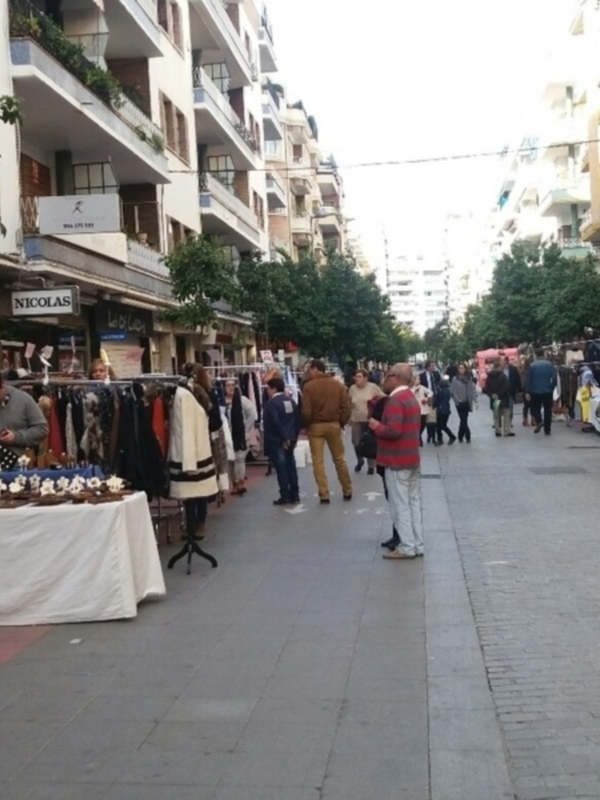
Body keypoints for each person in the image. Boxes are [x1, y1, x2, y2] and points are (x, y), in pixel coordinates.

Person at [368, 363, 423, 560]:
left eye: (388, 375)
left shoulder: (395, 400)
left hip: (396, 460)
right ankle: (417, 544)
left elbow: (393, 430)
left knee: (400, 505)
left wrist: (376, 426)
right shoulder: (410, 397)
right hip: (411, 458)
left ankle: (406, 547)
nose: (385, 378)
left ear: (397, 378)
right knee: (413, 503)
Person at [302, 359, 352, 504]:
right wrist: (341, 422)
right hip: (334, 424)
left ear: (315, 369)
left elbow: (306, 411)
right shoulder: (338, 385)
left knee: (318, 462)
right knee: (339, 459)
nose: (308, 373)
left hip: (315, 426)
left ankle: (324, 494)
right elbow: (346, 408)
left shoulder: (308, 387)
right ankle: (347, 489)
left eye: (309, 370)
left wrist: (307, 424)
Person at [264, 377, 302, 506]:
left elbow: (275, 421)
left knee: (281, 468)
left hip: (277, 439)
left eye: (268, 389)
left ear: (274, 389)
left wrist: (283, 437)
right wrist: (293, 437)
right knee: (291, 466)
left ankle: (285, 494)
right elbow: (297, 420)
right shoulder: (291, 401)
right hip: (291, 438)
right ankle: (295, 494)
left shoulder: (271, 404)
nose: (267, 391)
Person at [0, 373, 49, 458]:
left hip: (17, 462)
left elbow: (42, 429)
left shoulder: (23, 400)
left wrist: (17, 437)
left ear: (2, 386)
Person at [224, 379, 257, 495]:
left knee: (239, 459)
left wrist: (245, 429)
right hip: (227, 436)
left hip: (241, 436)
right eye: (228, 385)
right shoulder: (222, 402)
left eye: (233, 385)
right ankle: (234, 483)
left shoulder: (243, 400)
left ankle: (240, 482)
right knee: (230, 460)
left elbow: (252, 415)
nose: (231, 388)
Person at [349, 368, 383, 474]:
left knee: (370, 443)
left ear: (365, 378)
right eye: (356, 376)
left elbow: (383, 399)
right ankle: (360, 460)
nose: (357, 378)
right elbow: (348, 403)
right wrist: (348, 416)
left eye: (359, 376)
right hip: (356, 420)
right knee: (356, 442)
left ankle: (371, 466)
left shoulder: (373, 387)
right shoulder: (352, 388)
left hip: (369, 421)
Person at [524, 350, 557, 436]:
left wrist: (527, 391)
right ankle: (547, 429)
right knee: (548, 410)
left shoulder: (532, 365)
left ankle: (539, 421)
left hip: (535, 390)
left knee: (535, 407)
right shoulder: (549, 365)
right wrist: (552, 387)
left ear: (536, 355)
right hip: (547, 390)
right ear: (544, 354)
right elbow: (554, 377)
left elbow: (528, 379)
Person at [450, 362, 476, 443]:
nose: (461, 370)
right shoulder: (455, 379)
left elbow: (471, 390)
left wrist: (474, 400)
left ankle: (460, 435)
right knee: (463, 419)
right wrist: (457, 400)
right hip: (459, 403)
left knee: (464, 419)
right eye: (459, 368)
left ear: (465, 369)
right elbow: (452, 391)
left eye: (462, 368)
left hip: (466, 402)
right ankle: (468, 435)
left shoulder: (469, 378)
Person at [485, 360, 512, 437]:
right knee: (506, 414)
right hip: (503, 398)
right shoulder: (503, 376)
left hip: (494, 400)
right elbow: (506, 387)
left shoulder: (489, 376)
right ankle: (506, 430)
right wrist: (500, 394)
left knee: (496, 415)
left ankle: (497, 430)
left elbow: (486, 388)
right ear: (499, 367)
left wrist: (492, 395)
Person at [433, 377, 456, 446]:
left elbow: (436, 401)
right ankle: (442, 439)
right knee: (442, 425)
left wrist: (433, 405)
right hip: (446, 410)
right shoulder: (448, 391)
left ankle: (448, 437)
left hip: (441, 410)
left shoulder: (440, 392)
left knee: (440, 426)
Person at [411, 375, 433, 446]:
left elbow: (430, 392)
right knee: (417, 425)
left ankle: (418, 436)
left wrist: (426, 399)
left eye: (419, 379)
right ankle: (418, 439)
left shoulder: (422, 387)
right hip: (415, 409)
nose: (419, 381)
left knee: (423, 424)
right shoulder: (411, 388)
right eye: (418, 379)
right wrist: (415, 391)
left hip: (423, 408)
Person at [503, 356, 522, 431]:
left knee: (510, 406)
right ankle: (504, 421)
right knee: (503, 408)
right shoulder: (499, 370)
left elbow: (517, 379)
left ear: (507, 361)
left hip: (510, 391)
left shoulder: (513, 369)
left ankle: (509, 421)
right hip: (501, 392)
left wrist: (519, 390)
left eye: (503, 361)